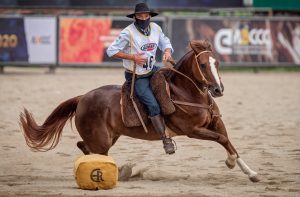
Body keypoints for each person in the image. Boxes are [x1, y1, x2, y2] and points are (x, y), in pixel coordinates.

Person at [106, 2, 175, 154]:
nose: (143, 18)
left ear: (150, 16)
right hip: (137, 76)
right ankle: (165, 139)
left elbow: (165, 42)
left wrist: (167, 52)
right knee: (153, 105)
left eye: (146, 15)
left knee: (176, 80)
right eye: (140, 16)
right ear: (135, 17)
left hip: (152, 69)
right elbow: (111, 51)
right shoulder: (127, 33)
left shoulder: (156, 28)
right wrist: (132, 57)